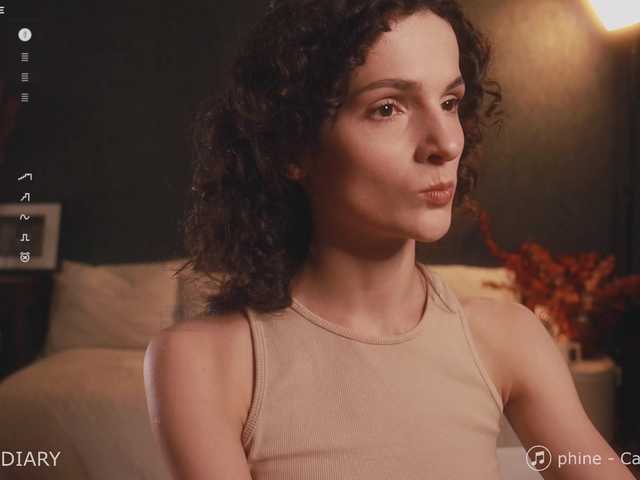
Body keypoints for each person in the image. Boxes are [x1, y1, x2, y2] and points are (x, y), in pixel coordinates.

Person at [143, 0, 636, 478]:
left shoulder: (510, 339)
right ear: (294, 146)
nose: (446, 143)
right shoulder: (204, 363)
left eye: (449, 102)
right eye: (387, 108)